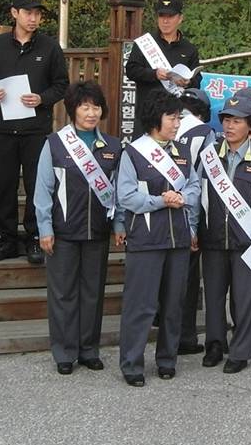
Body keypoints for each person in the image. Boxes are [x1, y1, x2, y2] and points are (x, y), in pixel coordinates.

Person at [35, 81, 123, 375]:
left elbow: (118, 193)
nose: (91, 113)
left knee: (92, 293)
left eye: (96, 107)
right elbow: (43, 190)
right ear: (73, 109)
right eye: (85, 107)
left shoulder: (113, 147)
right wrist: (45, 228)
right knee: (63, 294)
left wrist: (119, 224)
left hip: (97, 231)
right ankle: (64, 352)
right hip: (63, 232)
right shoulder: (55, 144)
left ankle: (88, 350)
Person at [0, 0, 70, 265]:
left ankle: (35, 238)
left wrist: (42, 98)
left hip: (36, 129)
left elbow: (61, 85)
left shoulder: (49, 47)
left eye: (38, 14)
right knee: (5, 185)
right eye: (28, 12)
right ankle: (5, 239)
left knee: (35, 184)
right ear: (14, 13)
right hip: (4, 128)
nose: (33, 18)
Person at [116, 94, 200, 386]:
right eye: (172, 118)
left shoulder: (183, 152)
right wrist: (161, 201)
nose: (177, 124)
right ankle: (131, 363)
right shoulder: (134, 153)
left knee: (173, 304)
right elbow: (126, 196)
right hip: (146, 239)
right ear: (156, 119)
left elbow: (195, 187)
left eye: (178, 118)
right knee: (140, 305)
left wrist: (182, 198)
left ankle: (167, 359)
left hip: (178, 239)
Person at [198, 92, 251, 373]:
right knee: (213, 296)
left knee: (245, 299)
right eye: (226, 120)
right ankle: (214, 345)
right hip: (213, 237)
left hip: (248, 241)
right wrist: (194, 228)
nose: (229, 126)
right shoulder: (209, 155)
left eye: (236, 121)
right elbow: (197, 194)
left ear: (250, 125)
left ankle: (240, 351)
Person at [176, 88, 215, 355]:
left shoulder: (162, 126)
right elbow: (206, 180)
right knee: (188, 278)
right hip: (191, 211)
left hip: (160, 210)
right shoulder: (204, 133)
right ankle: (185, 337)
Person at [124, 0, 202, 121]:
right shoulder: (145, 43)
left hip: (176, 115)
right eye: (161, 16)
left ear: (180, 18)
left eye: (170, 16)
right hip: (148, 112)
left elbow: (197, 80)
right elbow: (131, 71)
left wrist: (188, 82)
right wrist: (154, 74)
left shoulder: (189, 49)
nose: (165, 21)